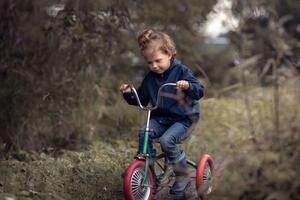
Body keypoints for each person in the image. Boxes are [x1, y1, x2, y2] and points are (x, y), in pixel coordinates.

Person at [119, 29, 204, 197]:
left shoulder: (181, 71)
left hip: (184, 119)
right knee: (145, 131)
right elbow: (142, 100)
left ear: (170, 54)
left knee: (167, 141)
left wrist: (187, 86)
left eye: (158, 61)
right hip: (161, 119)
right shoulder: (151, 77)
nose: (154, 66)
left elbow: (199, 91)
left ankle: (182, 175)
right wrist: (129, 93)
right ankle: (146, 167)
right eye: (150, 63)